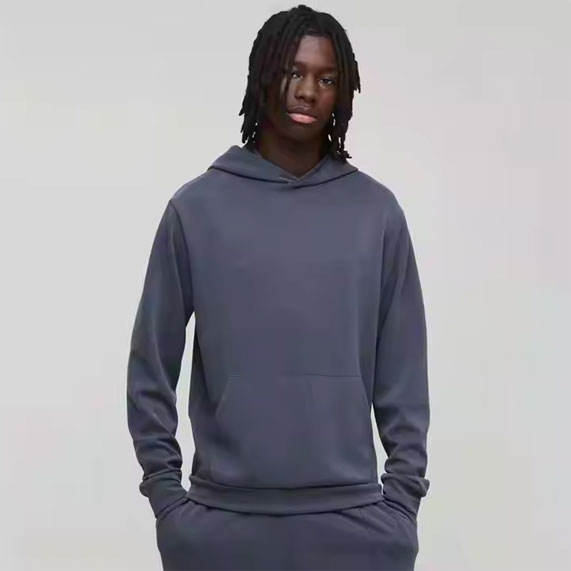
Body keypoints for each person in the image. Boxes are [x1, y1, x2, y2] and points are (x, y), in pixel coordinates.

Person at [126, 4, 430, 570]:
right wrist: (167, 499)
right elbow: (151, 366)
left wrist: (402, 505)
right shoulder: (197, 209)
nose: (308, 91)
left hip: (355, 525)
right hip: (223, 522)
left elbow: (404, 372)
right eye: (293, 71)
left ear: (342, 93)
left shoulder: (376, 214)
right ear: (262, 76)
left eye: (327, 78)